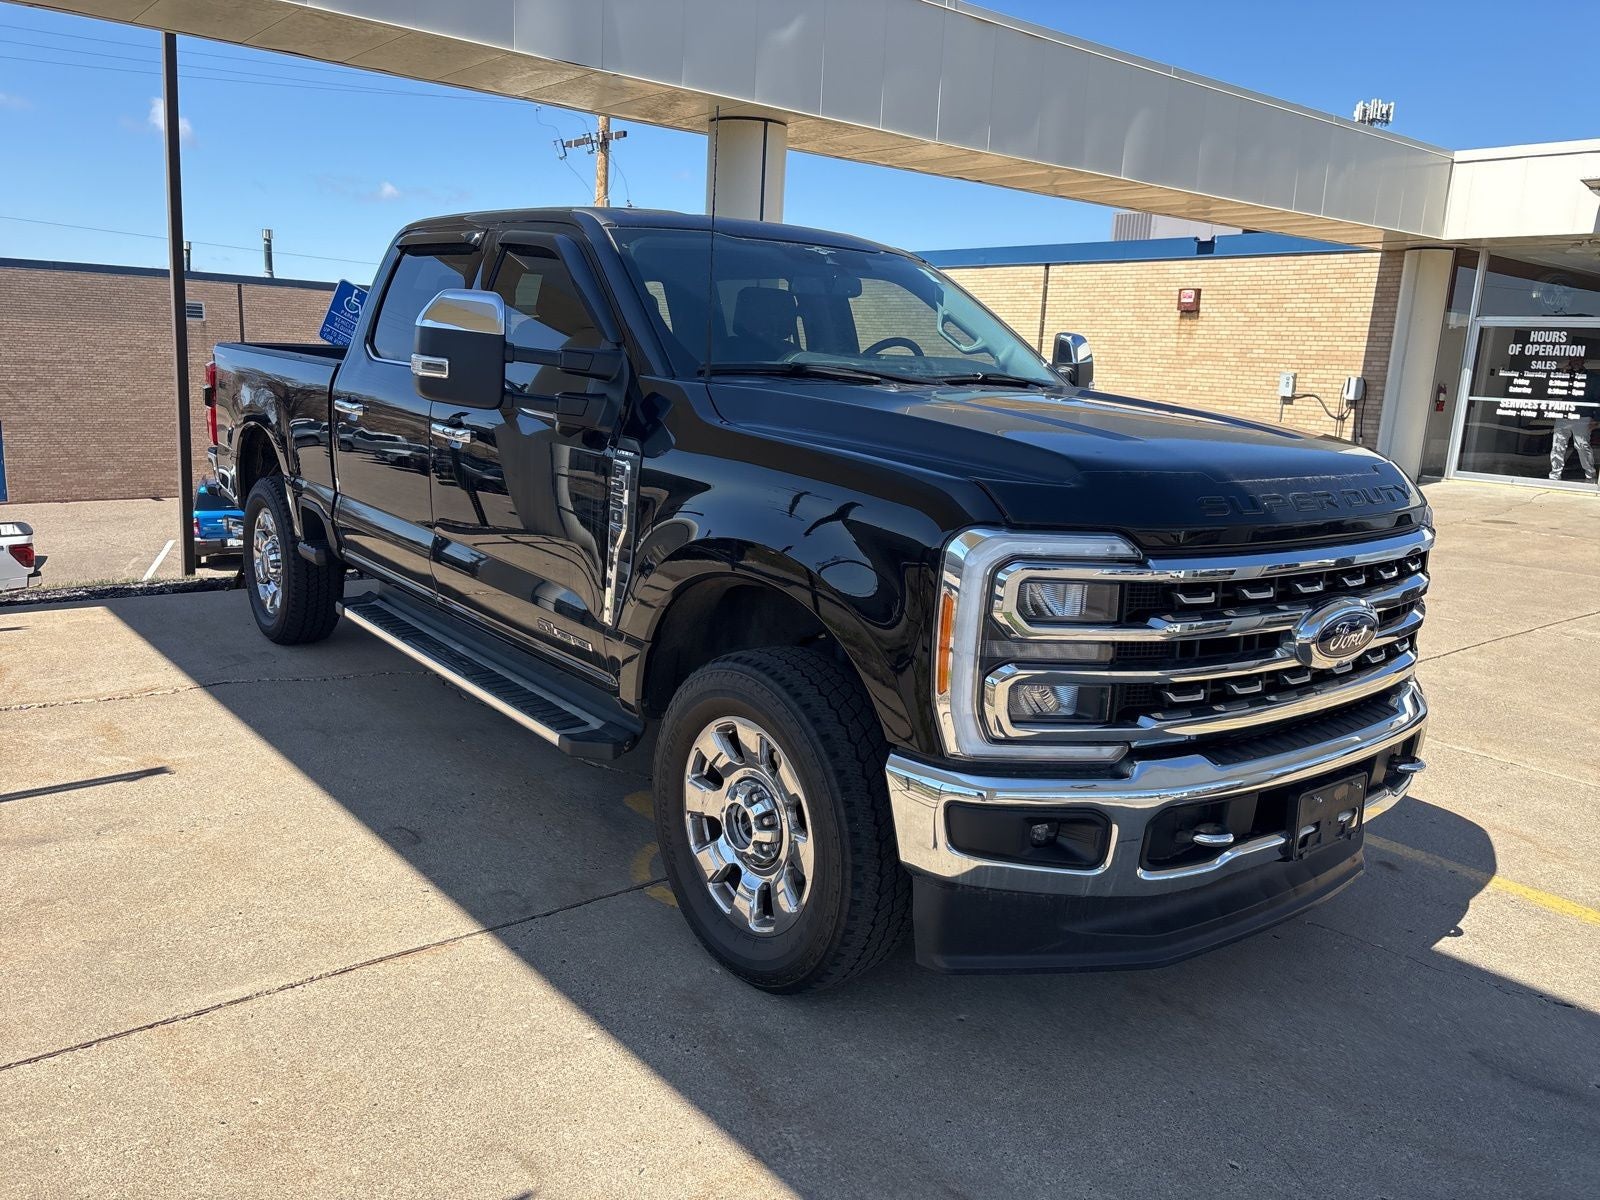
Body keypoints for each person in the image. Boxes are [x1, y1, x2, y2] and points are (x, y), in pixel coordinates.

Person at [1549, 413, 1596, 483]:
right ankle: (1554, 475)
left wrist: (1597, 417)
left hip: (1582, 415)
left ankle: (1590, 474)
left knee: (1582, 446)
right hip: (1563, 415)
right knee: (1557, 446)